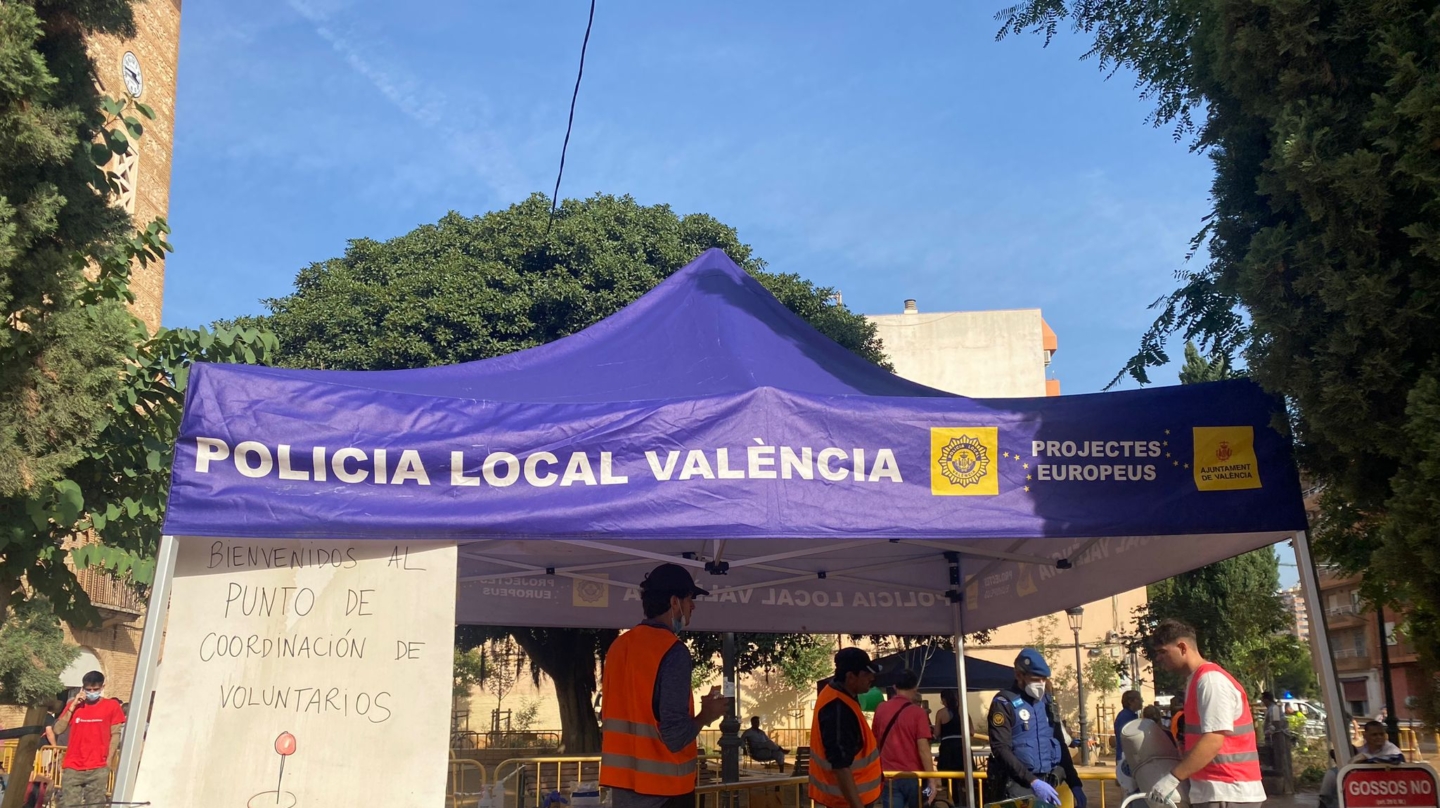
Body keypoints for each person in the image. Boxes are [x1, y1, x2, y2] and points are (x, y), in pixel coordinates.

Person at [599, 563, 730, 808]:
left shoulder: (618, 647)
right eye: (689, 598)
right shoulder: (672, 650)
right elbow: (675, 736)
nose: (693, 606)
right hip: (664, 793)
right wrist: (706, 716)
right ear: (674, 602)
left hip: (624, 790)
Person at [1146, 620, 1264, 808]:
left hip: (1228, 792)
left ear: (1182, 647)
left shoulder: (1210, 681)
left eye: (1162, 652)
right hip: (1220, 791)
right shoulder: (1198, 680)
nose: (1158, 659)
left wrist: (1173, 778)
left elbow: (1213, 740)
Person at [986, 648, 1085, 808]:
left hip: (1048, 784)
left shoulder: (1047, 702)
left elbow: (1059, 743)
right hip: (1017, 787)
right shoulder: (1004, 703)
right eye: (1035, 679)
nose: (1041, 684)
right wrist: (1033, 781)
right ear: (1019, 675)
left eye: (1044, 679)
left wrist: (1075, 783)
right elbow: (1000, 748)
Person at [810, 648, 883, 808]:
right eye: (866, 674)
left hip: (851, 798)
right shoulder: (837, 708)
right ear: (850, 676)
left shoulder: (840, 697)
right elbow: (840, 765)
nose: (872, 678)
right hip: (848, 801)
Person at [51, 671, 125, 808]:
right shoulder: (75, 705)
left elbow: (115, 734)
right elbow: (58, 729)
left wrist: (109, 760)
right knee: (69, 804)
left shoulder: (112, 706)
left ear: (102, 687)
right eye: (88, 689)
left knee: (96, 804)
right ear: (82, 688)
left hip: (98, 766)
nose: (92, 692)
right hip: (73, 765)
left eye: (95, 689)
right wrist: (72, 708)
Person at [872, 669, 937, 808]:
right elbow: (923, 749)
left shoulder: (881, 709)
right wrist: (932, 779)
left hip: (889, 775)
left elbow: (875, 744)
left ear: (894, 687)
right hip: (914, 776)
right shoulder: (918, 713)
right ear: (915, 687)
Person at [934, 689, 967, 803]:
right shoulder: (963, 711)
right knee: (966, 778)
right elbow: (971, 731)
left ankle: (955, 802)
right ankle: (966, 802)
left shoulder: (941, 713)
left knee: (949, 779)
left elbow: (937, 733)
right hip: (963, 747)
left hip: (948, 749)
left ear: (943, 700)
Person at [1114, 690, 1143, 794]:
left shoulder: (1128, 716)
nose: (1142, 701)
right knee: (1131, 792)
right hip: (1126, 757)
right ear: (1131, 701)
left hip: (1127, 757)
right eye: (1139, 699)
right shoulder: (1126, 718)